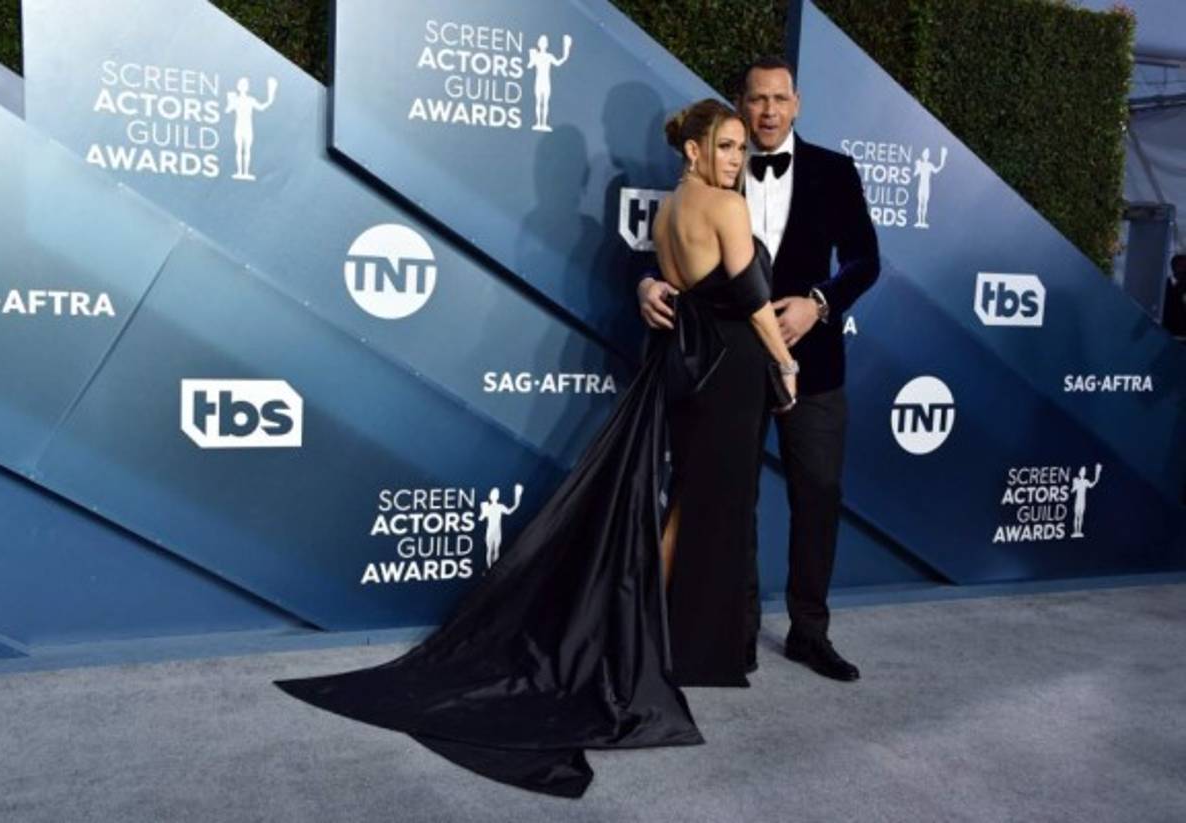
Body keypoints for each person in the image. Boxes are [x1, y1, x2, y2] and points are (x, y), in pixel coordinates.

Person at [276, 99, 797, 798]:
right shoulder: (725, 207)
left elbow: (674, 283)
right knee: (703, 506)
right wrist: (786, 366)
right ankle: (645, 645)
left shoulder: (675, 207)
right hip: (725, 366)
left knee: (688, 503)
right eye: (727, 146)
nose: (738, 159)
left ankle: (650, 638)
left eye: (741, 149)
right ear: (696, 151)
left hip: (681, 361)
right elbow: (758, 299)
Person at [639, 55, 880, 683]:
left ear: (796, 103)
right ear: (740, 106)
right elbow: (690, 256)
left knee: (817, 497)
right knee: (727, 502)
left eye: (779, 99)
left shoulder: (834, 171)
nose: (768, 111)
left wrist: (818, 304)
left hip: (815, 364)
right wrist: (647, 283)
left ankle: (809, 632)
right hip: (727, 368)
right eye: (756, 99)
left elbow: (865, 261)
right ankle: (732, 636)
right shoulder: (723, 168)